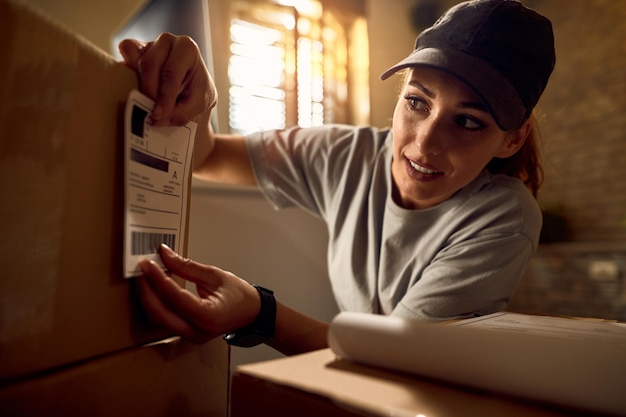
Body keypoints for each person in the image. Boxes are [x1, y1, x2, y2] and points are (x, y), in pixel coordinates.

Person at [118, 0, 555, 356]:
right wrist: (200, 99)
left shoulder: (503, 218)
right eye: (418, 102)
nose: (424, 144)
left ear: (512, 140)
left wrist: (259, 314)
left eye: (469, 123)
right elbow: (208, 157)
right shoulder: (345, 155)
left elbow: (393, 360)